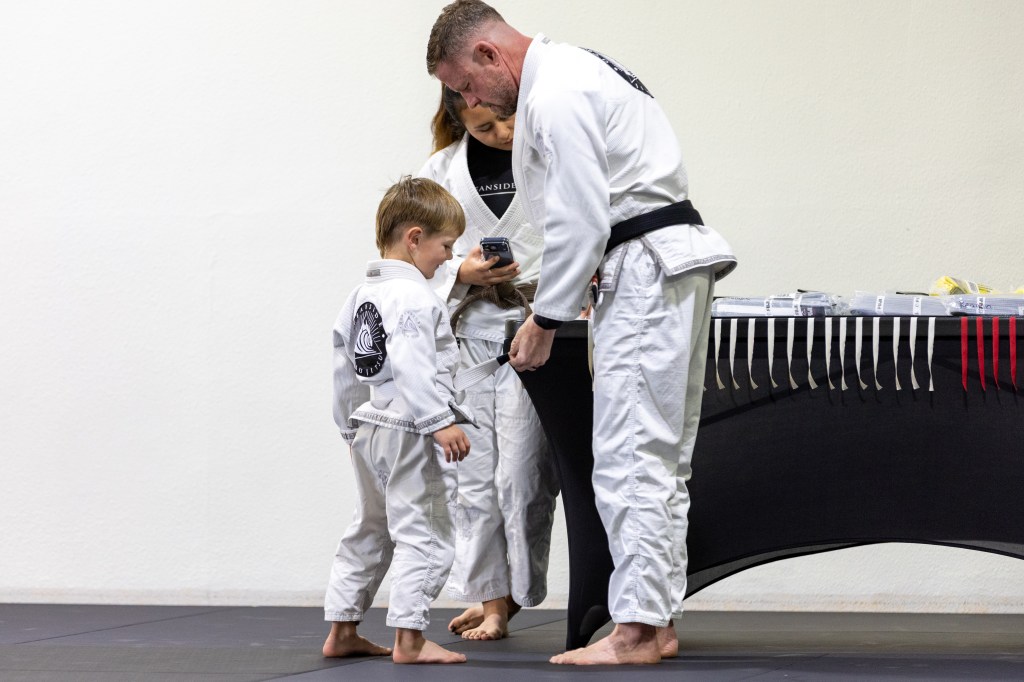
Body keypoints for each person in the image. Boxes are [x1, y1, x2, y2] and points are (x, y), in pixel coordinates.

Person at [426, 1, 737, 666]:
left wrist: (545, 319)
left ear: (488, 53)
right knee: (655, 456)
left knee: (629, 454)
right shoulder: (579, 69)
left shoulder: (555, 92)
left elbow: (581, 216)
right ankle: (654, 622)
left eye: (466, 84)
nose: (468, 101)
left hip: (643, 266)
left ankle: (635, 633)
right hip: (661, 263)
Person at [418, 84, 559, 641]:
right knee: (471, 477)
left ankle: (518, 591)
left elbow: (585, 235)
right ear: (459, 122)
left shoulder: (550, 157)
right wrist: (461, 272)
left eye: (506, 119)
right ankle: (491, 599)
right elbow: (413, 254)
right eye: (484, 127)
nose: (501, 133)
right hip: (470, 333)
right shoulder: (439, 171)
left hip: (537, 330)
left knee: (523, 475)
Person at [322, 176, 475, 665]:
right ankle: (410, 639)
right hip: (412, 428)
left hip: (369, 424)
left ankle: (342, 628)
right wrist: (439, 421)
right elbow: (412, 363)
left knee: (369, 527)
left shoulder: (360, 295)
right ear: (414, 238)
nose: (448, 258)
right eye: (445, 246)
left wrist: (349, 428)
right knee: (424, 530)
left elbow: (344, 366)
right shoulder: (414, 296)